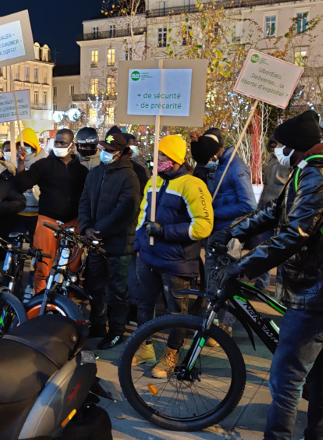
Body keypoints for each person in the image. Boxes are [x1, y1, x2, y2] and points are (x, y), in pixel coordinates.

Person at [212, 109, 323, 440]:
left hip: (315, 293)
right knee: (321, 375)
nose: (278, 151)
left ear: (296, 147)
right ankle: (318, 435)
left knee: (287, 378)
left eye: (281, 146)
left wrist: (243, 266)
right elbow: (276, 211)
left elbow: (295, 234)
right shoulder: (308, 169)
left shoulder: (320, 176)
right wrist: (234, 230)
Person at [132, 135, 213, 376]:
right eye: (156, 156)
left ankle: (171, 354)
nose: (157, 161)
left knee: (177, 311)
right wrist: (139, 243)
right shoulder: (152, 182)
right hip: (147, 257)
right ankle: (145, 348)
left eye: (162, 157)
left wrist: (165, 232)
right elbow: (142, 216)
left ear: (176, 159)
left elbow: (203, 225)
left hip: (177, 262)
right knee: (144, 304)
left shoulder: (193, 185)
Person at [192, 128, 257, 338]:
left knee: (226, 280)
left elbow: (248, 204)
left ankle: (225, 325)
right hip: (215, 230)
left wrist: (214, 212)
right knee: (214, 280)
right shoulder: (218, 164)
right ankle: (215, 323)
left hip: (228, 233)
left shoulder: (235, 166)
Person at [78, 132, 141, 349]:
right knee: (94, 286)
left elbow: (125, 210)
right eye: (104, 148)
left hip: (118, 243)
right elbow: (84, 200)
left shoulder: (129, 176)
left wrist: (99, 230)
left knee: (117, 291)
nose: (105, 153)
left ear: (122, 153)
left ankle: (116, 330)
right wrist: (85, 227)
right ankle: (98, 324)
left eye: (111, 150)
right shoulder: (95, 173)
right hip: (95, 241)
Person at [14, 128, 89, 294]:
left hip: (73, 222)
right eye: (57, 142)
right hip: (47, 221)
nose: (59, 145)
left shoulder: (82, 171)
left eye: (63, 143)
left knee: (73, 267)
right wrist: (20, 163)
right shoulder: (43, 165)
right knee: (42, 266)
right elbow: (21, 184)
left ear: (72, 145)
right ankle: (40, 302)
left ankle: (66, 304)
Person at [252, 138, 291, 291]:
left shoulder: (290, 161)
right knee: (264, 247)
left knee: (281, 250)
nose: (276, 147)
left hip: (283, 210)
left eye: (279, 143)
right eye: (274, 144)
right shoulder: (271, 159)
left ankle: (281, 289)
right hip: (266, 208)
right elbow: (266, 183)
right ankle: (261, 285)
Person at [11, 128, 46, 238]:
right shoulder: (13, 161)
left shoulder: (45, 161)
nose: (25, 148)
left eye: (27, 144)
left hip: (39, 213)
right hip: (19, 211)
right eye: (22, 144)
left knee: (36, 245)